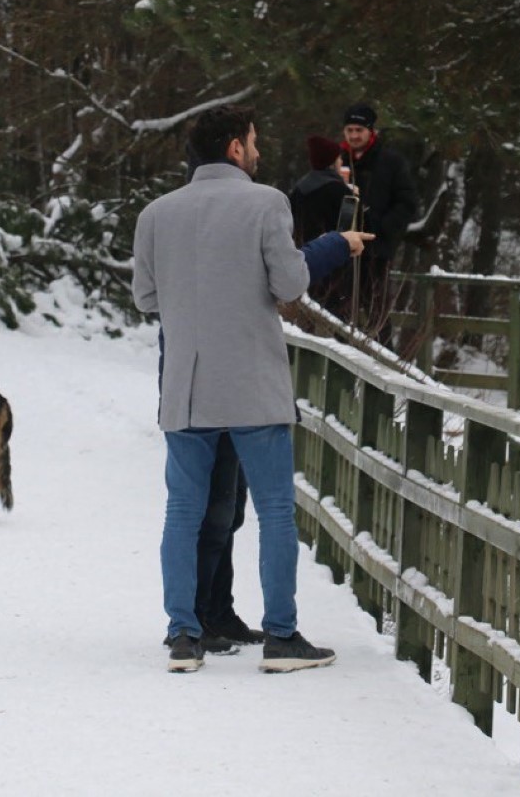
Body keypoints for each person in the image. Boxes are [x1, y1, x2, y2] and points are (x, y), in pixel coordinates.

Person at [133, 103, 371, 673]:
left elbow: (146, 300)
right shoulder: (267, 203)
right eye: (254, 141)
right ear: (236, 148)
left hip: (186, 387)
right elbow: (290, 283)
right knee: (274, 513)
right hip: (252, 384)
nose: (258, 151)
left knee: (183, 512)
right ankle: (282, 637)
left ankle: (184, 635)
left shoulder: (156, 213)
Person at [339, 103, 418, 331]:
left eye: (359, 130)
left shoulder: (391, 162)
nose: (354, 135)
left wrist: (383, 229)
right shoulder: (337, 160)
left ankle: (382, 359)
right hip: (340, 246)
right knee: (339, 309)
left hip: (376, 248)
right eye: (350, 130)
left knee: (376, 310)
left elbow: (407, 202)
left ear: (370, 131)